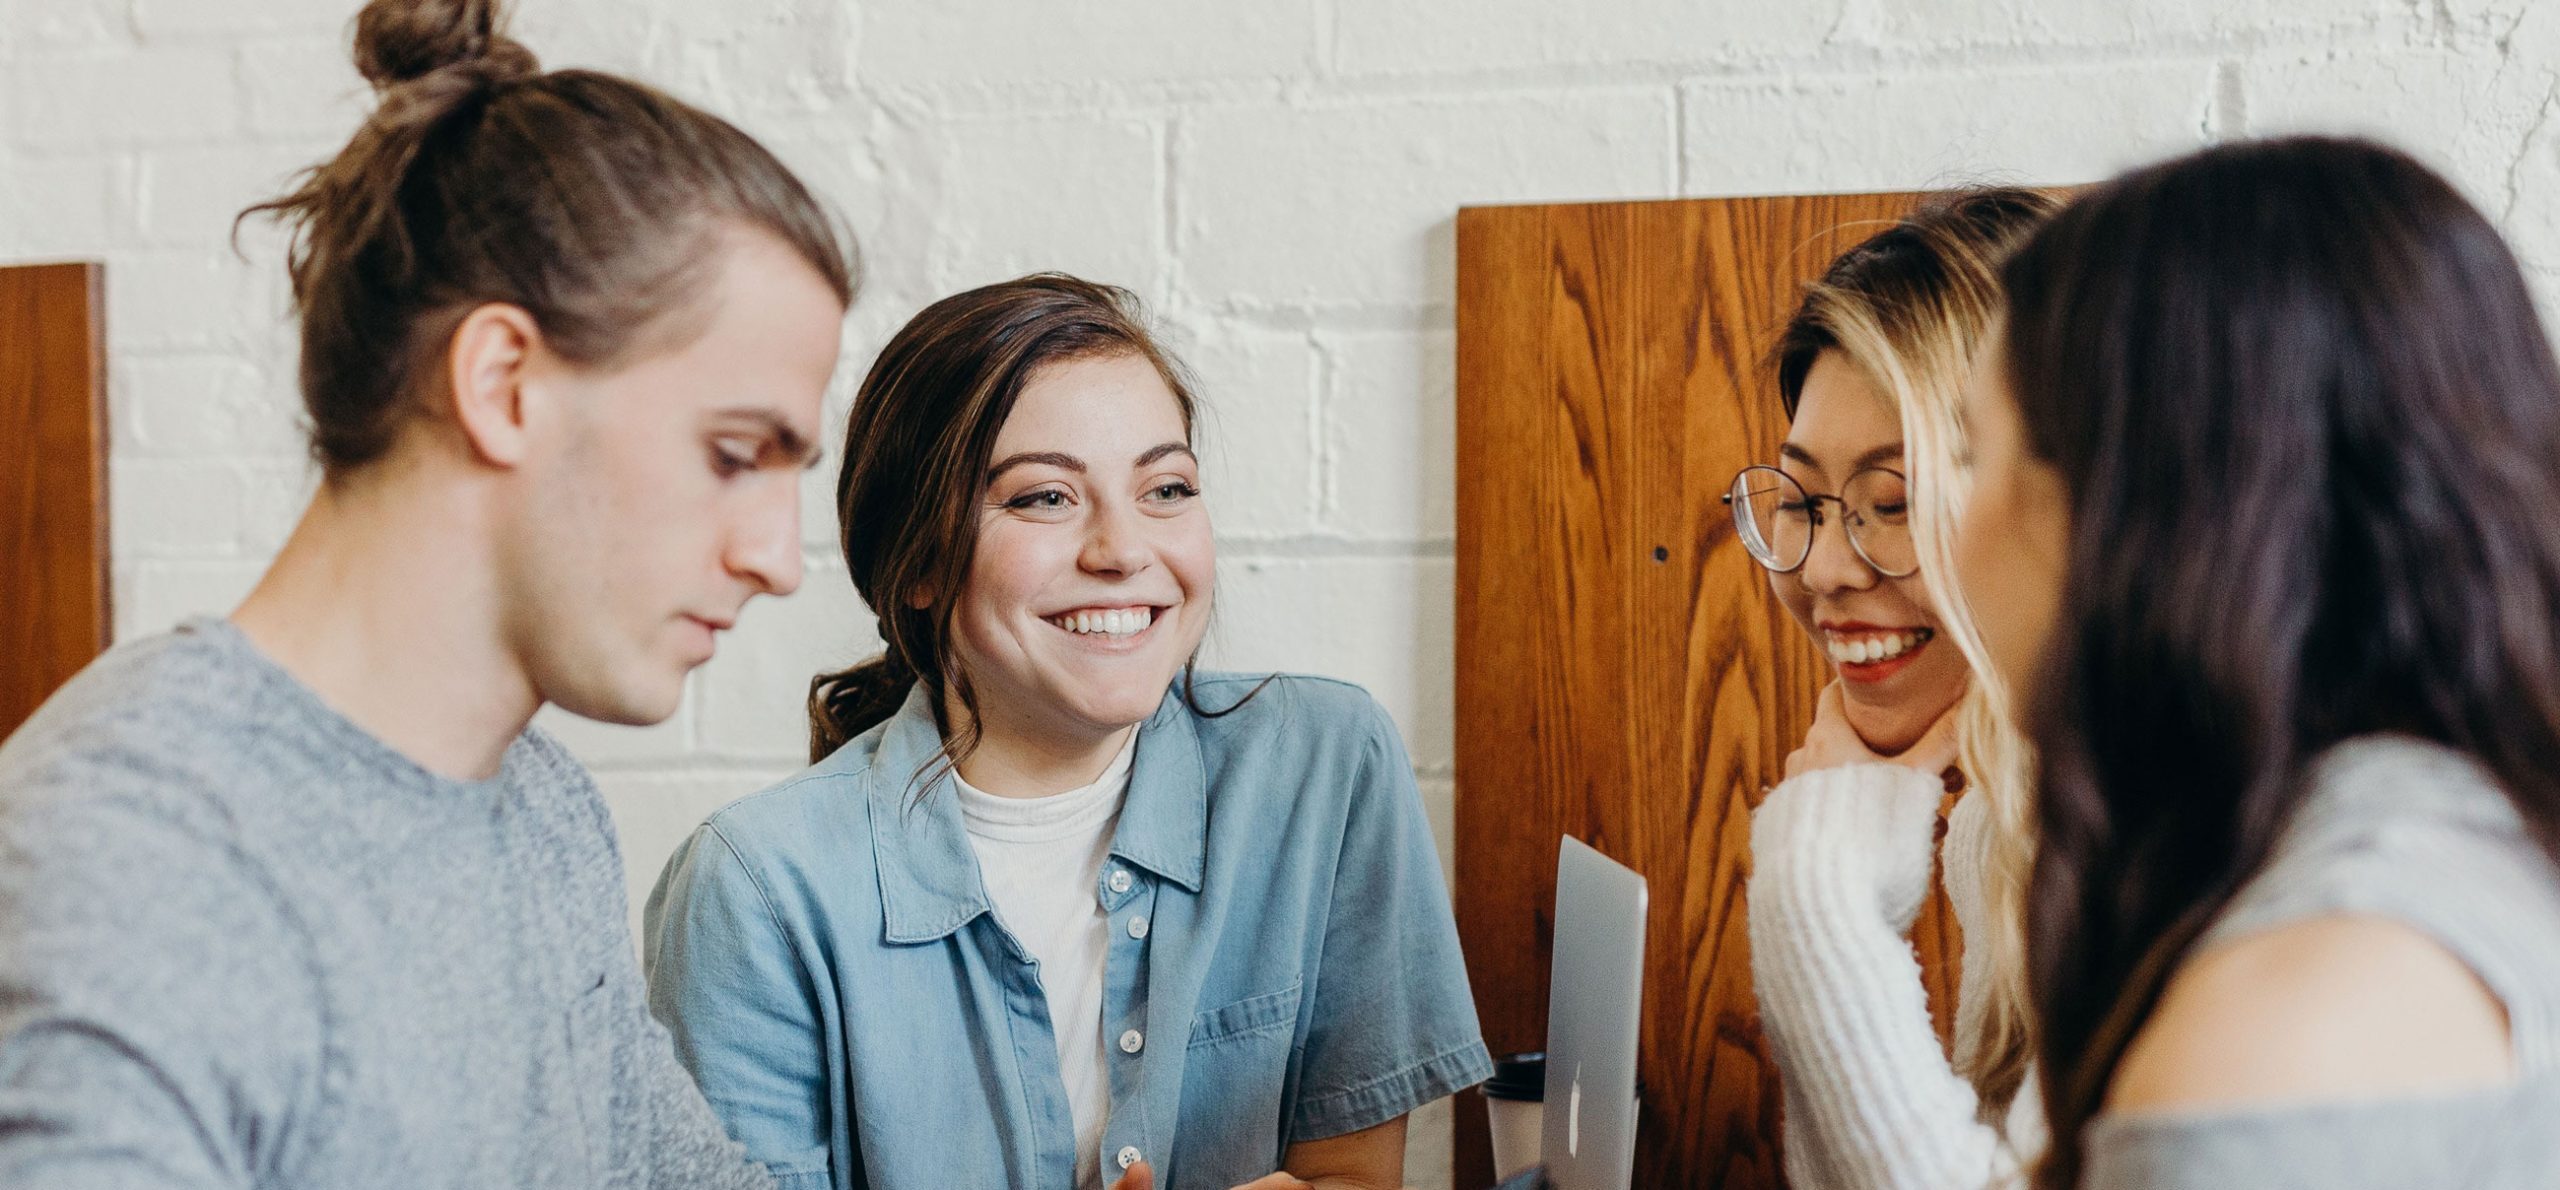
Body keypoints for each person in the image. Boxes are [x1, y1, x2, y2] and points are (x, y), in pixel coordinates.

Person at [0, 1, 855, 1185]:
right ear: (503, 382)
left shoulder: (544, 811)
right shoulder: (133, 862)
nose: (777, 557)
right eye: (730, 454)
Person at [643, 273, 1490, 1190]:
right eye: (1045, 498)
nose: (1124, 551)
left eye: (1166, 488)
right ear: (917, 562)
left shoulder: (1325, 768)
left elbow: (1355, 1178)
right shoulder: (755, 892)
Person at [1959, 136, 2560, 1188]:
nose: (1948, 533)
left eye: (1972, 454)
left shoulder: (2289, 1026)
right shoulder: (2469, 841)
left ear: (2125, 512)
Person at [1735, 188, 2057, 1189]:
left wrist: (1813, 893)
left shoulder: (2175, 834)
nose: (1823, 568)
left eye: (1894, 501)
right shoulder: (1998, 820)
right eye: (1801, 501)